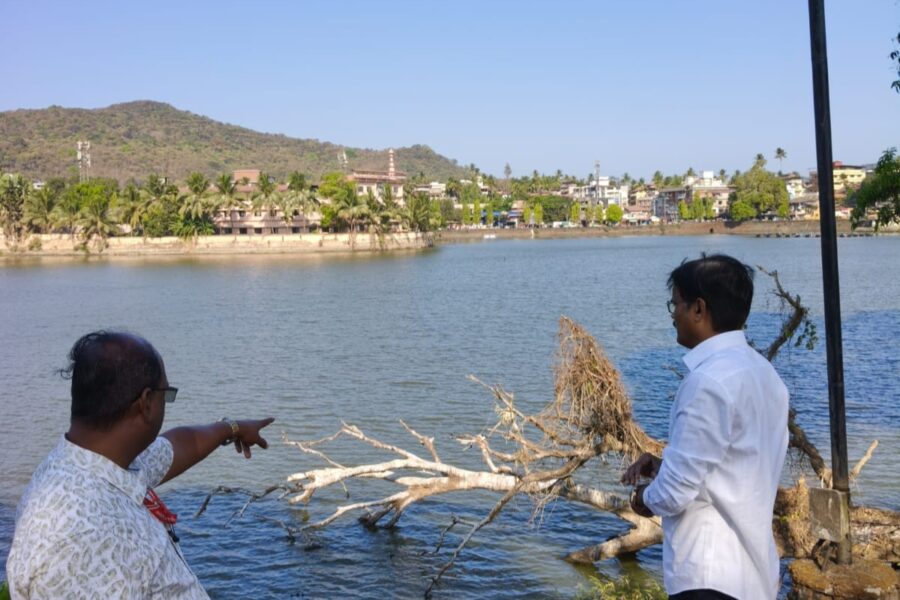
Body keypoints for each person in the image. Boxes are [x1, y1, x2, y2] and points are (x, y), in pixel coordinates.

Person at [6, 331, 275, 599]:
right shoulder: (80, 537)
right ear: (146, 403)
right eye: (166, 394)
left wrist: (233, 428)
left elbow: (178, 446)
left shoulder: (97, 462)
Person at [622, 254, 789, 600]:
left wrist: (642, 499)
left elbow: (674, 493)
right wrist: (661, 465)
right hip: (753, 577)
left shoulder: (708, 382)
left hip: (709, 575)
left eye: (676, 303)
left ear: (699, 309)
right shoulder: (764, 374)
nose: (672, 314)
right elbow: (729, 467)